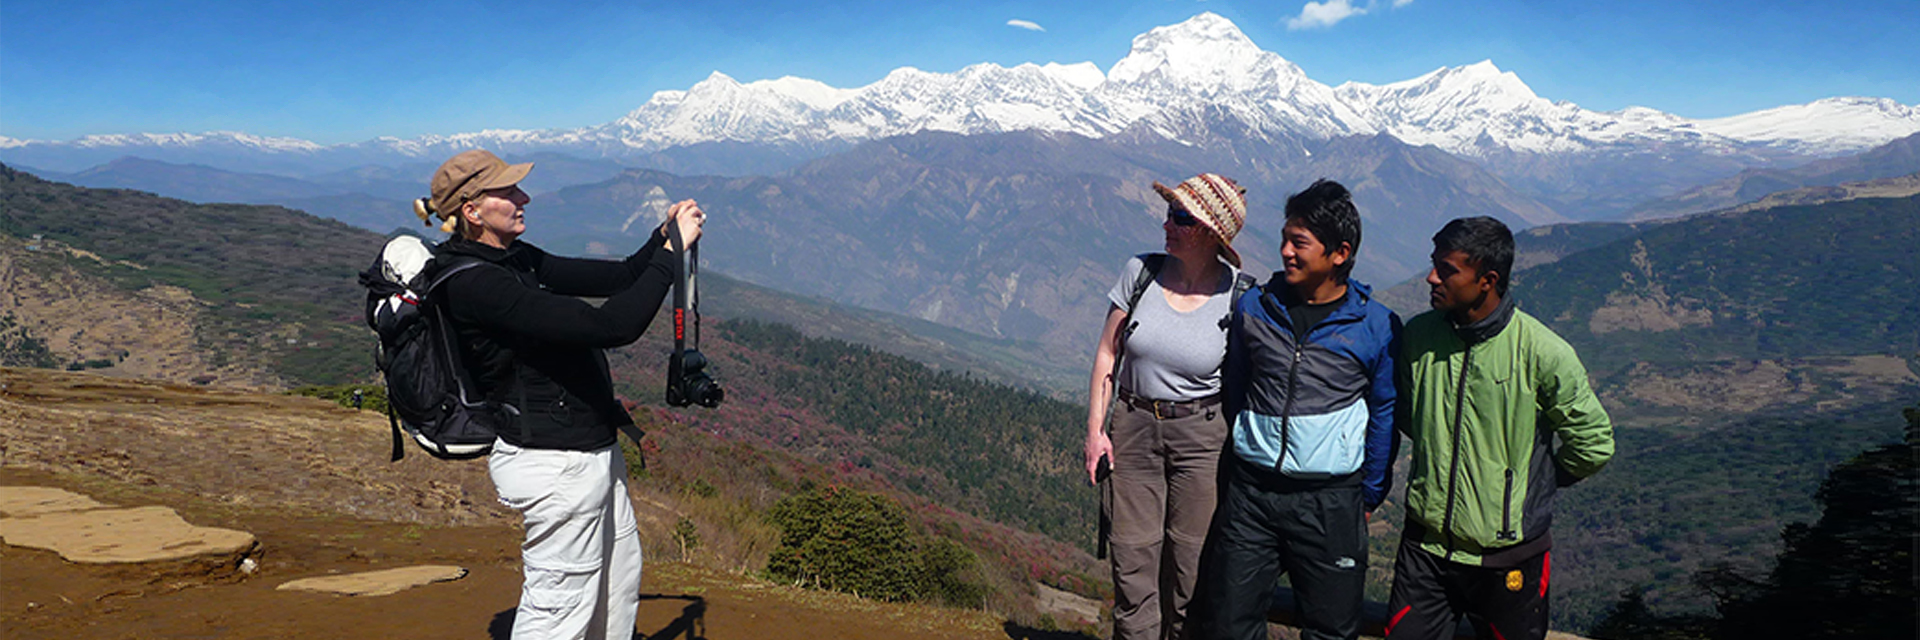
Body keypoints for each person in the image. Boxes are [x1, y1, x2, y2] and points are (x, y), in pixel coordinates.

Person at [415, 149, 706, 640]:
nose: (523, 197)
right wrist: (674, 255)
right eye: (508, 192)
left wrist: (660, 238)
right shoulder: (478, 285)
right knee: (560, 607)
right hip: (555, 464)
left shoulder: (511, 258)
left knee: (615, 580)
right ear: (472, 210)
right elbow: (612, 325)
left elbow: (617, 278)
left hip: (587, 449)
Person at [1386, 217, 1614, 640]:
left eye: (1447, 269)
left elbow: (1594, 444)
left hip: (1511, 559)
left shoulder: (1542, 352)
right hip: (1426, 550)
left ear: (1487, 280)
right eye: (1433, 264)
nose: (1432, 277)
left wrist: (1541, 480)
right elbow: (1407, 415)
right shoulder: (1418, 336)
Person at [1202, 179, 1400, 640]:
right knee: (1229, 624)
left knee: (1330, 629)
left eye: (1300, 243)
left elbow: (1384, 412)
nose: (1285, 251)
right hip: (1252, 493)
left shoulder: (1376, 326)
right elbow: (1236, 385)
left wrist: (1367, 492)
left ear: (1340, 253)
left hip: (1331, 501)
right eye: (1285, 239)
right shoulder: (1256, 307)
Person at [1084, 173, 1248, 640]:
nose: (1166, 224)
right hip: (1133, 426)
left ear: (1211, 232)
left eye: (1180, 218)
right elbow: (1107, 353)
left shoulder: (1239, 296)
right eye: (1170, 213)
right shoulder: (1141, 273)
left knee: (1190, 567)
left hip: (1203, 438)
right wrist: (1096, 431)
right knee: (1132, 559)